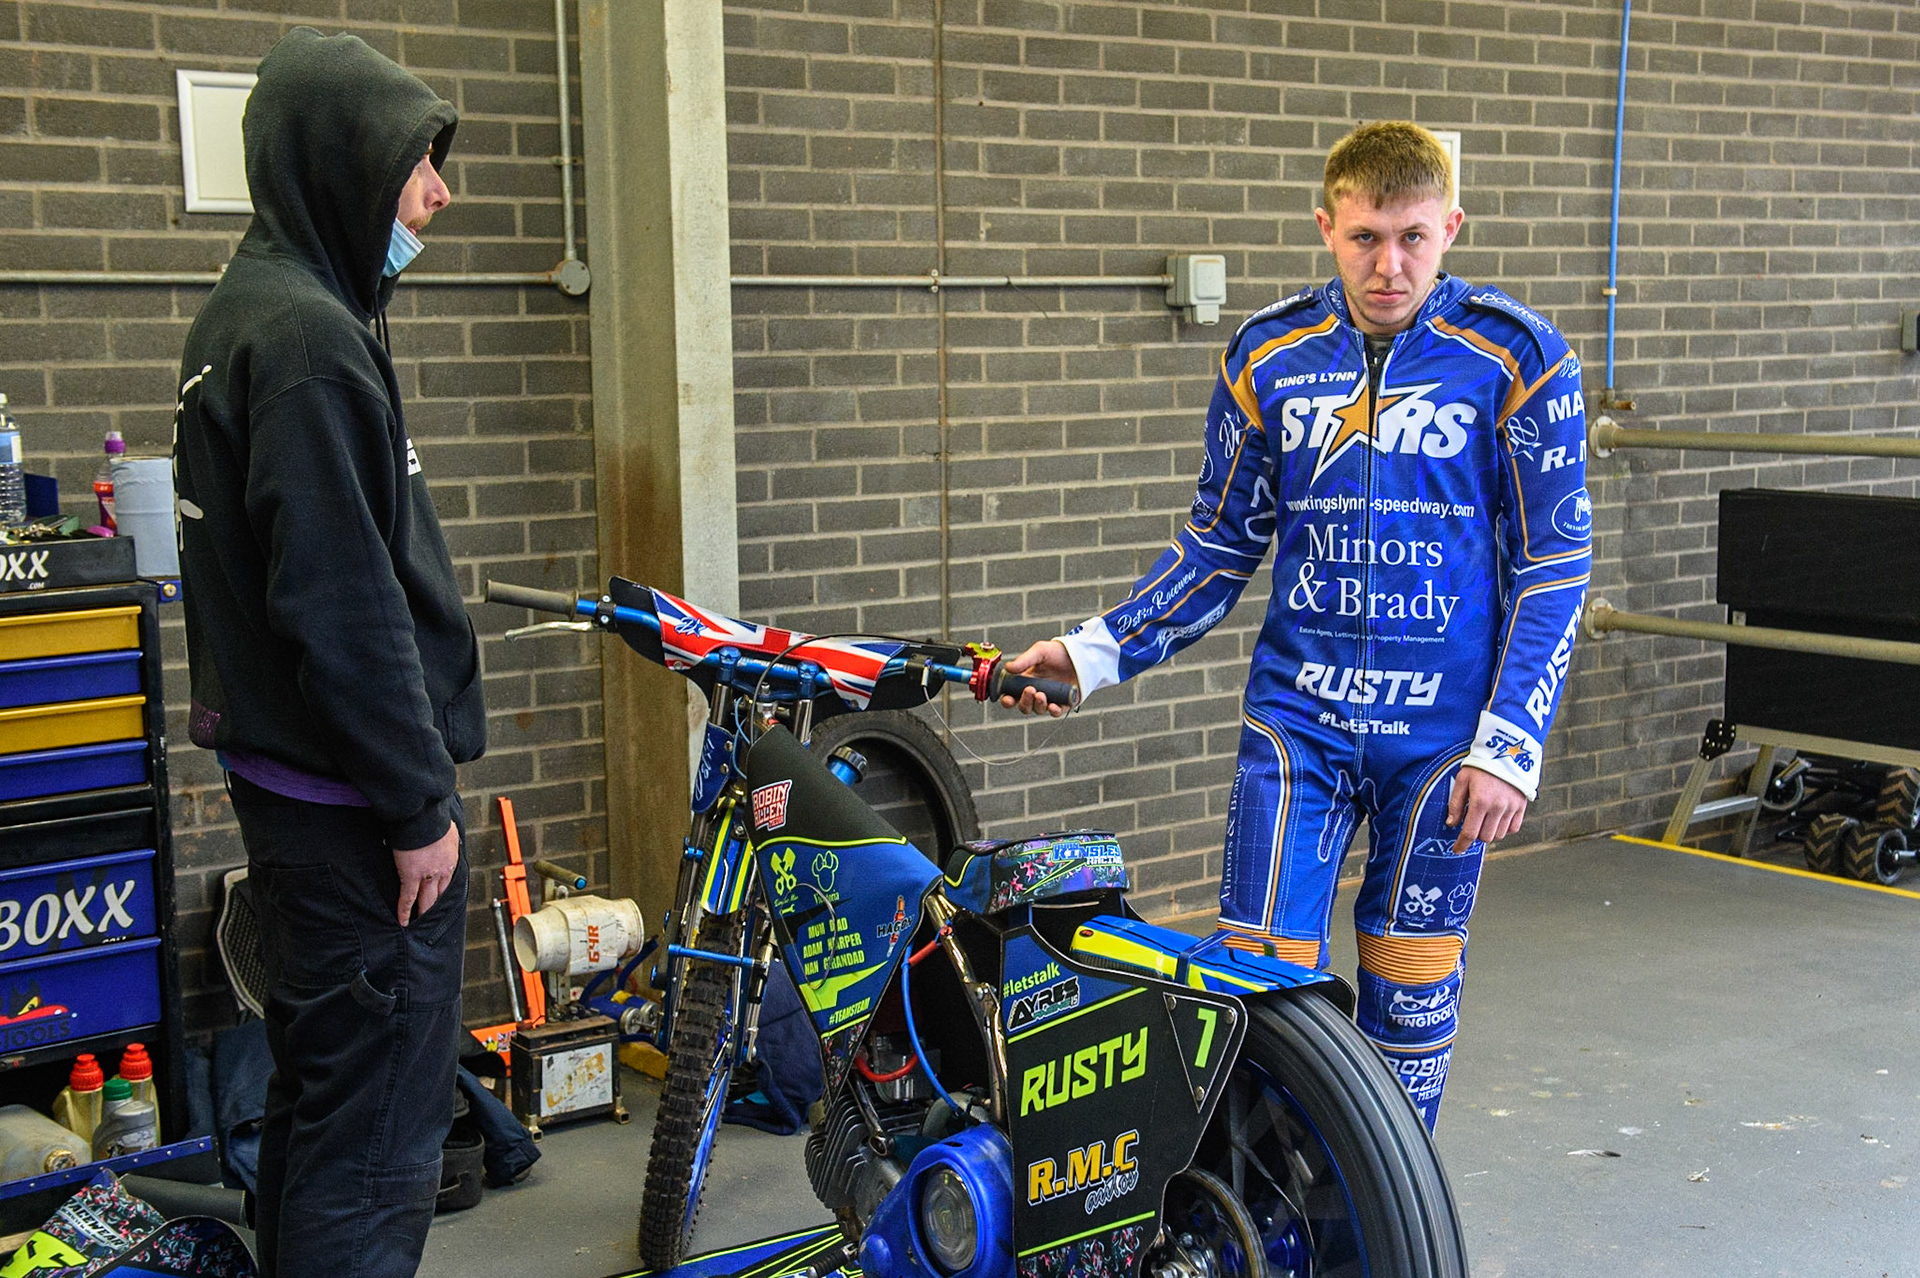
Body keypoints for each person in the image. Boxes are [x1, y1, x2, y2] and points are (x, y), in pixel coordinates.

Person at [1004, 121, 1591, 1129]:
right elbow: (1218, 544)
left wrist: (1510, 743)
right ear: (1326, 226)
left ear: (1452, 226)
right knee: (1252, 990)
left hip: (1445, 743)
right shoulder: (1267, 353)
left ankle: (1378, 1227)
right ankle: (1257, 1210)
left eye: (1413, 237)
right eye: (1365, 237)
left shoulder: (1520, 355)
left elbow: (1557, 565)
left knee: (1409, 990)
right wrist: (1093, 653)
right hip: (1298, 729)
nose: (1390, 265)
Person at [172, 29, 484, 1277]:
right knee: (375, 1149)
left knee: (321, 1111)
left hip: (307, 810)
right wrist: (417, 807)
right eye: (418, 161)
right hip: (361, 828)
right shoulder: (304, 344)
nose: (437, 192)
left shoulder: (263, 316)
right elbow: (344, 612)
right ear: (343, 166)